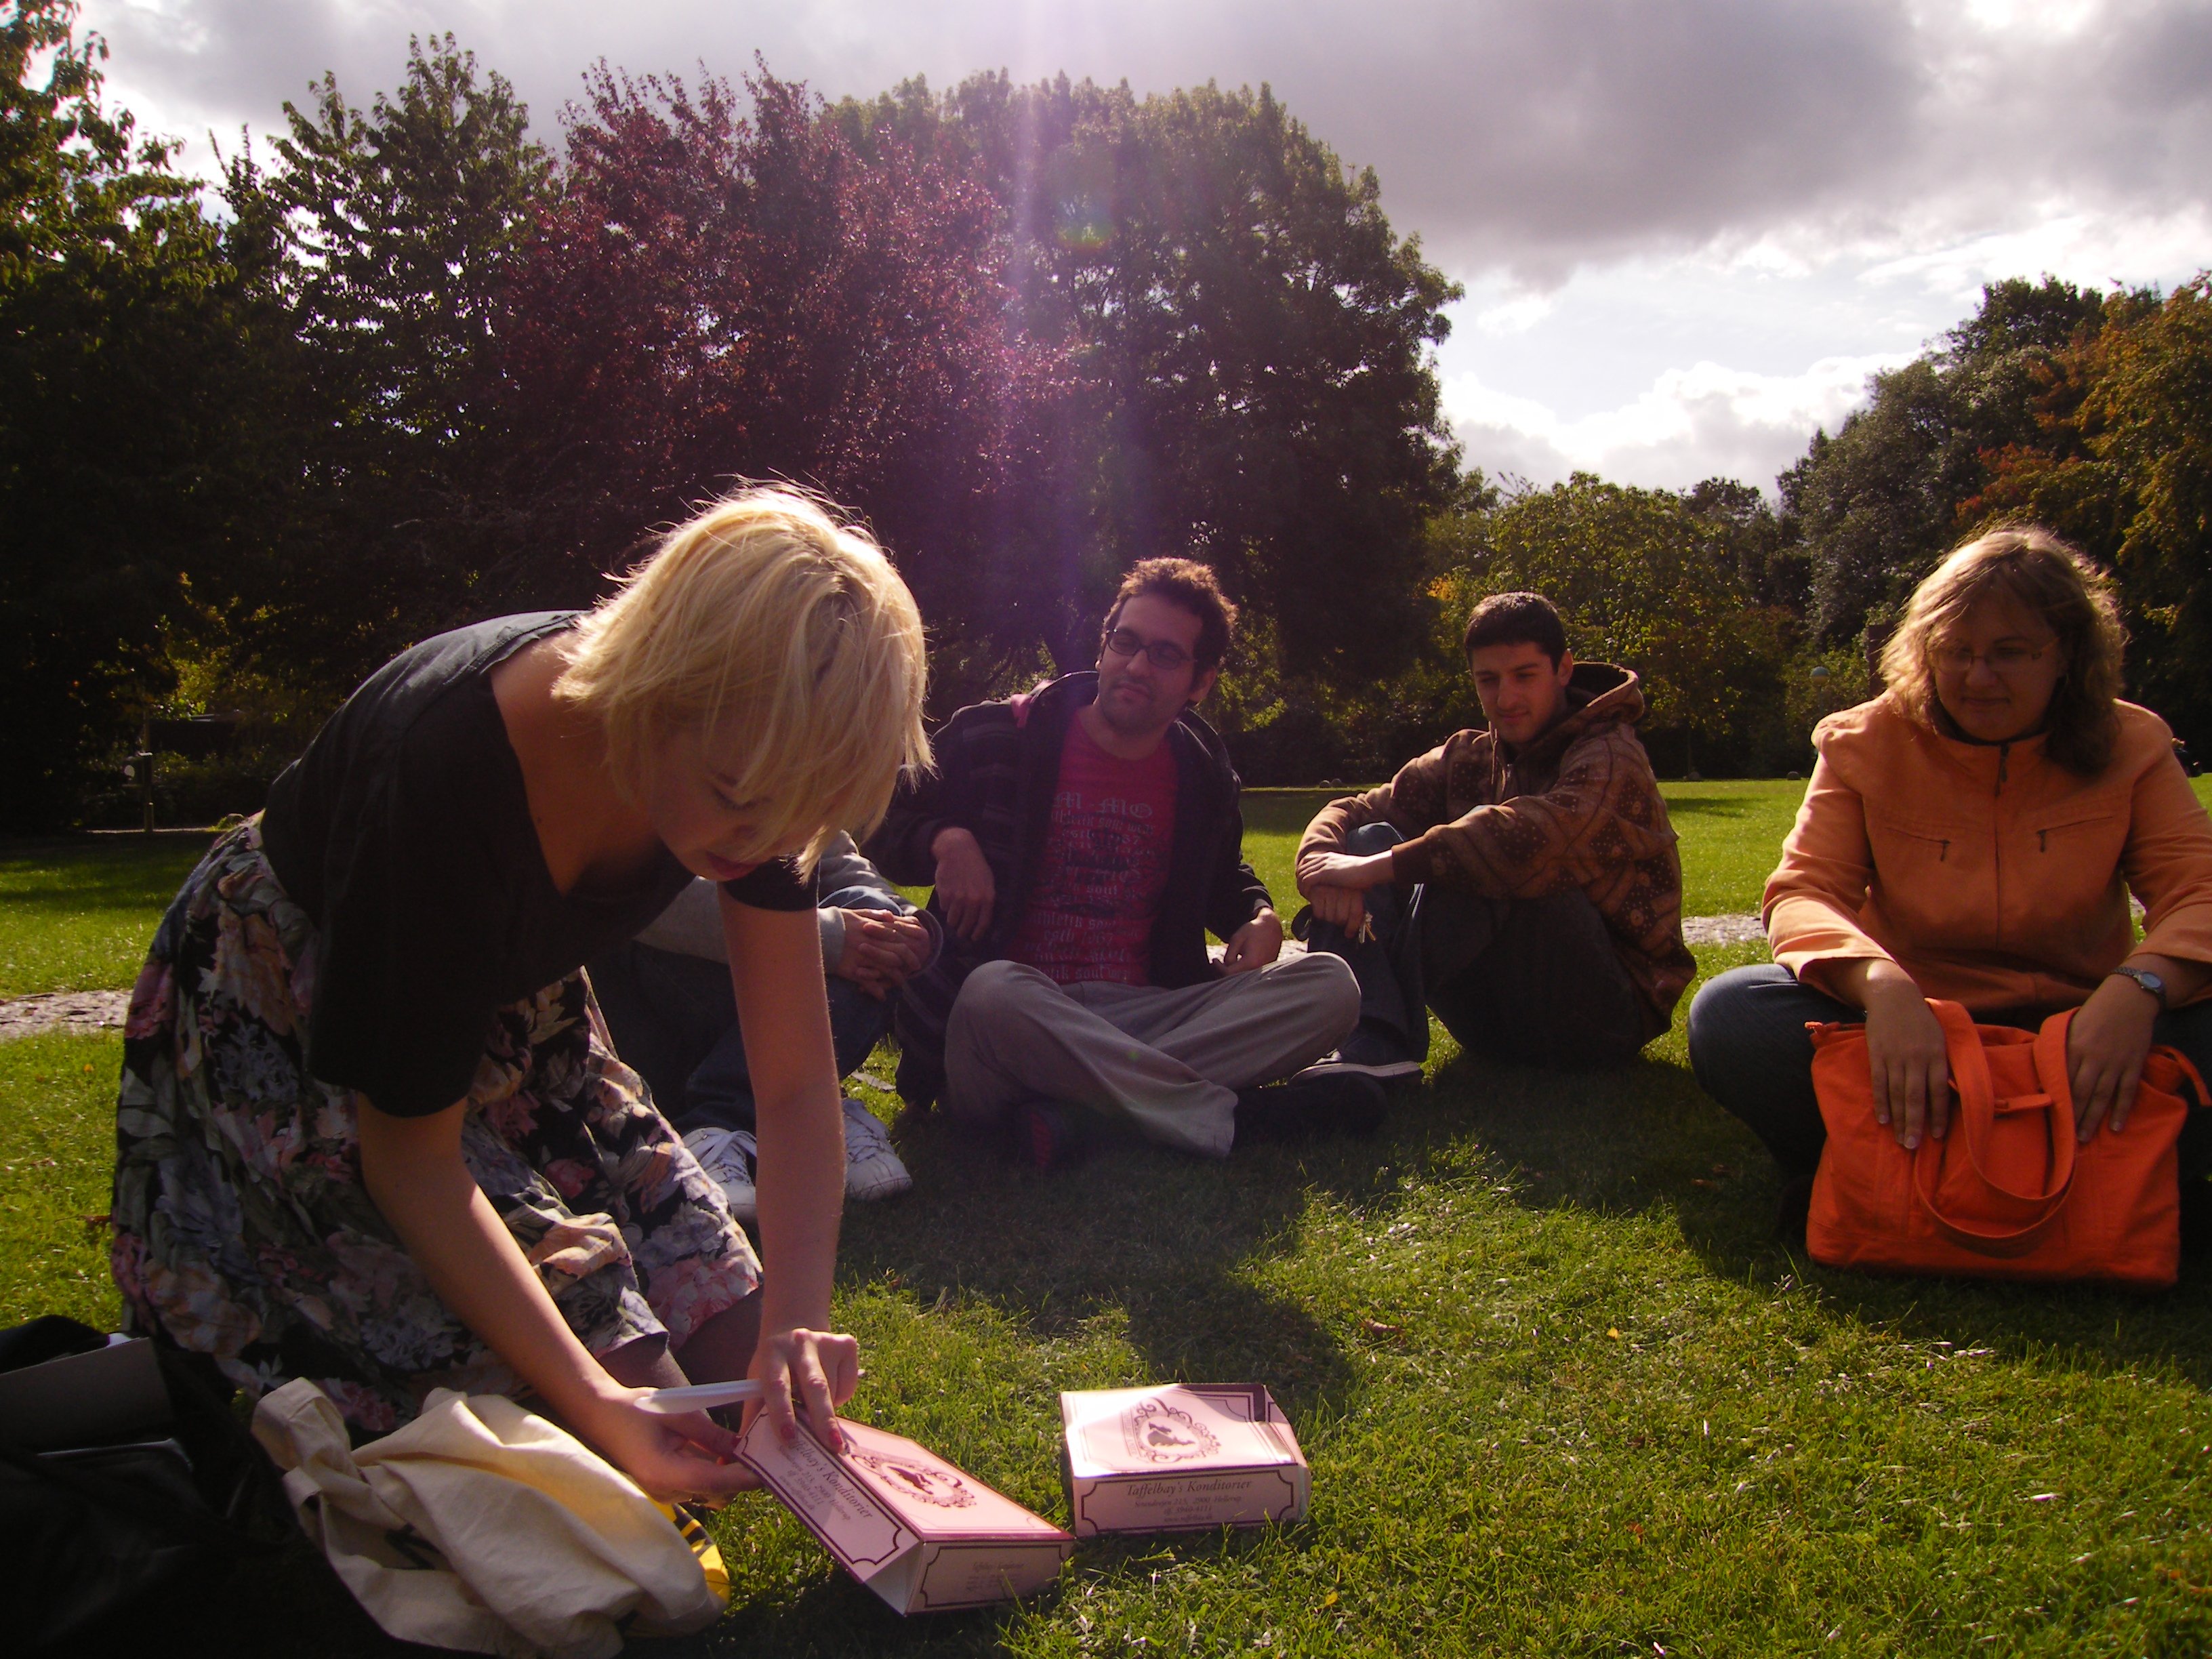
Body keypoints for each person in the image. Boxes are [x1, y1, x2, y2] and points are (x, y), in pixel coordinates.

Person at [110, 487, 929, 1503]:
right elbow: (410, 1158)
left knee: (735, 1356)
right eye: (736, 799)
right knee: (612, 1392)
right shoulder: (448, 767)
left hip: (520, 1011)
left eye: (798, 816)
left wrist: (796, 1324)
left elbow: (799, 1081)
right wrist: (598, 1403)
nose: (763, 844)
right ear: (663, 683)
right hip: (302, 989)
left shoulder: (759, 762)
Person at [1687, 527, 2212, 1218]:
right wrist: (1882, 987)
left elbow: (2199, 893)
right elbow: (1805, 891)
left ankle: (1892, 1174)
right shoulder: (1862, 742)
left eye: (2009, 653)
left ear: (2067, 656)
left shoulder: (2133, 745)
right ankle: (2093, 1180)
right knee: (1733, 1014)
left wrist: (2137, 989)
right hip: (1916, 1029)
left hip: (2082, 1029)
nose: (1977, 677)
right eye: (1955, 652)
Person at [865, 558, 1367, 1165]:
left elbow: (1222, 875)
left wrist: (1257, 914)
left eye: (1164, 654)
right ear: (1103, 645)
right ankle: (1236, 1118)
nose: (1135, 665)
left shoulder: (1202, 773)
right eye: (1125, 642)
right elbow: (877, 816)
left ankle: (1073, 1116)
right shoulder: (997, 736)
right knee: (992, 991)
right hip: (1012, 1022)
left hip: (1146, 1014)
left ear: (1200, 682)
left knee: (1331, 984)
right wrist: (947, 840)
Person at [1293, 590, 1694, 1076]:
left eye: (1525, 676)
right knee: (1368, 836)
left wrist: (1371, 873)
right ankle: (1373, 1040)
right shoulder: (1470, 757)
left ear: (1563, 669)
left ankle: (1357, 1020)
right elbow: (1352, 810)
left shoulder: (1611, 757)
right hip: (1492, 1019)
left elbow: (1526, 841)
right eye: (1488, 680)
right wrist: (1323, 870)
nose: (1506, 699)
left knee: (1497, 858)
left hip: (1600, 1018)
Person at [590, 834, 937, 1220]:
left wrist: (904, 926)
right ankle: (726, 1119)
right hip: (651, 995)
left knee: (874, 915)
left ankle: (787, 1114)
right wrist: (828, 940)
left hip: (747, 988)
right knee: (862, 938)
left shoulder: (790, 780)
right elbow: (640, 900)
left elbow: (831, 855)